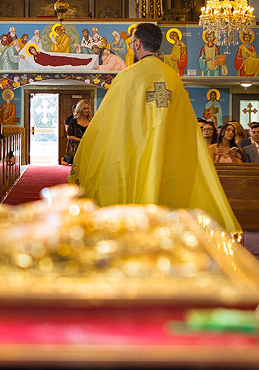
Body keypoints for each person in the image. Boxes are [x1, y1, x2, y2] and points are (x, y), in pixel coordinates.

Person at [69, 22, 239, 233]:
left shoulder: (127, 77)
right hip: (165, 156)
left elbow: (107, 121)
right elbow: (185, 125)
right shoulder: (173, 78)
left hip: (134, 156)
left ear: (137, 44)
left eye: (132, 43)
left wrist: (88, 149)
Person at [64, 101, 92, 165]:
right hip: (76, 149)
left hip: (89, 148)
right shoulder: (73, 122)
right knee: (77, 167)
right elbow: (69, 136)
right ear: (80, 109)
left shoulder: (91, 121)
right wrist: (81, 140)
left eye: (88, 108)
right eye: (84, 109)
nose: (86, 110)